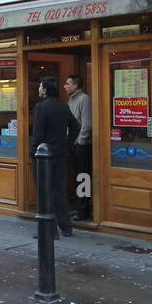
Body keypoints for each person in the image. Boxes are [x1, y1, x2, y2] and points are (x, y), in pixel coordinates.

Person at [28, 75, 79, 237]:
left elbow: (38, 134)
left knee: (44, 192)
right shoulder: (63, 106)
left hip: (43, 156)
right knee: (59, 191)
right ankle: (66, 227)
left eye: (40, 86)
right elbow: (75, 126)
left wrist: (33, 152)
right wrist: (67, 144)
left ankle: (49, 229)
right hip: (59, 154)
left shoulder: (41, 107)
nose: (39, 89)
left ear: (45, 90)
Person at [65, 74, 93, 221]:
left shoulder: (84, 99)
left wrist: (80, 142)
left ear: (75, 85)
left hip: (83, 146)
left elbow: (87, 124)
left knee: (83, 177)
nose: (65, 86)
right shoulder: (71, 100)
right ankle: (79, 207)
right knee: (77, 176)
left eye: (68, 84)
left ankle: (84, 209)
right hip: (73, 144)